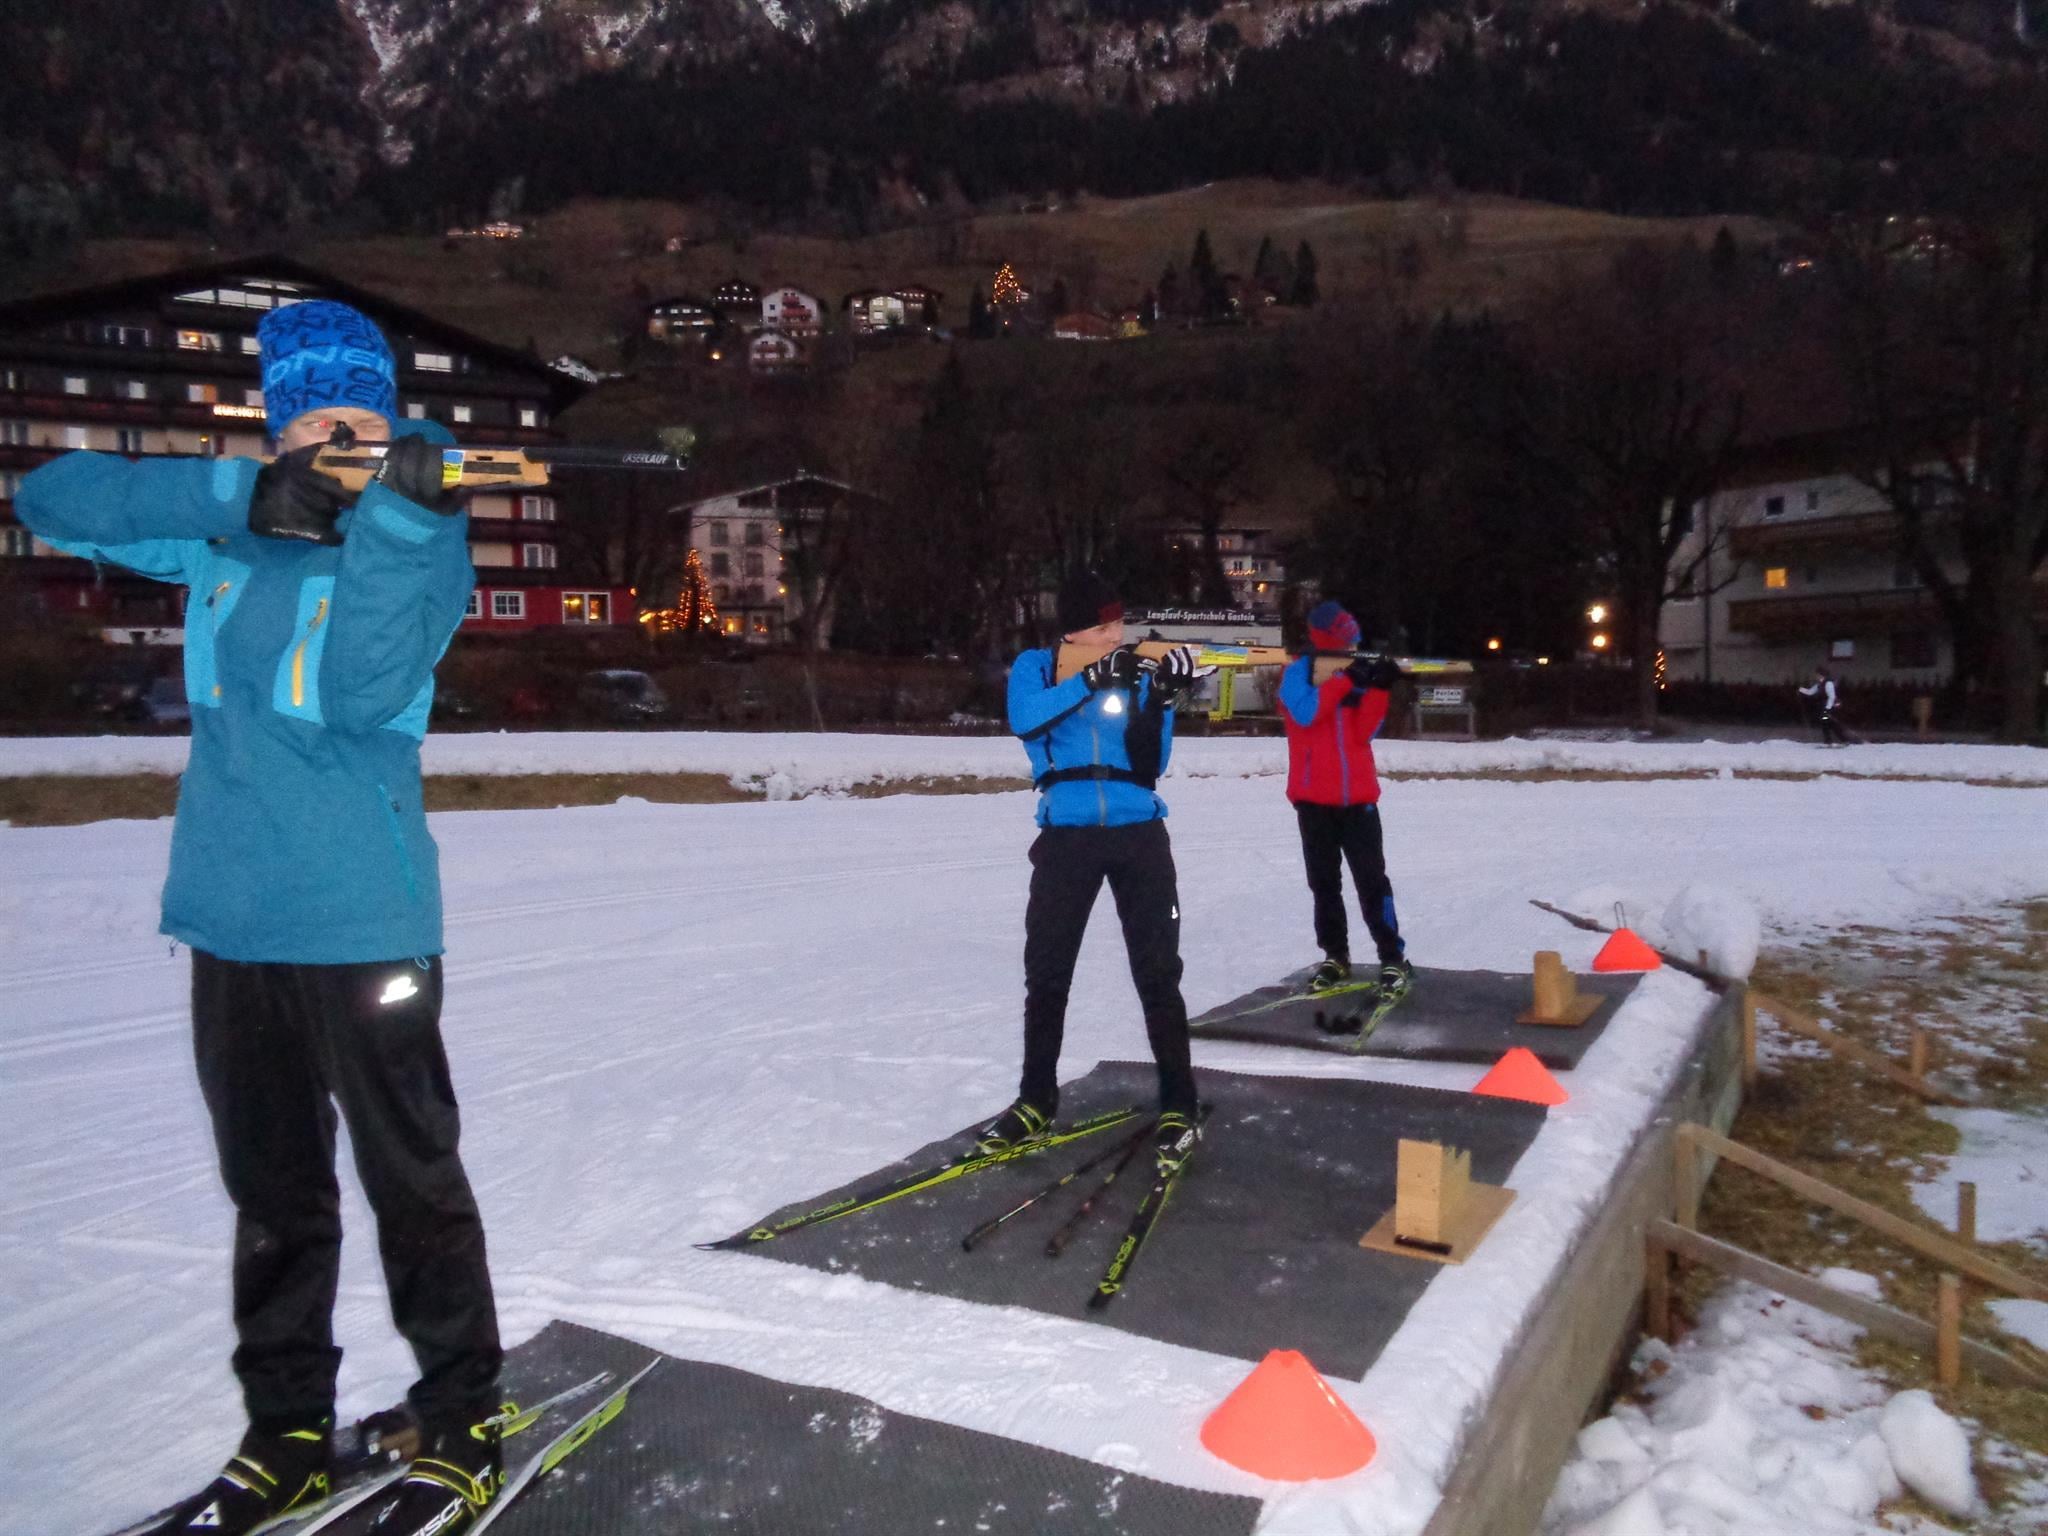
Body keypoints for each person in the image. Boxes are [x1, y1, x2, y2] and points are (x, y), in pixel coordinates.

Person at [17, 300, 506, 1536]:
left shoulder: (422, 531)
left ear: (387, 417)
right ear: (278, 426)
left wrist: (395, 516)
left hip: (363, 922)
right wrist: (241, 500)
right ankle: (284, 1433)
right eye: (306, 416)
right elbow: (52, 496)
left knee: (413, 1183)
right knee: (274, 1198)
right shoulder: (230, 538)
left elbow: (361, 696)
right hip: (232, 918)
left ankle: (462, 1421)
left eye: (355, 413)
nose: (332, 431)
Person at [987, 571, 1203, 1175]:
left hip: (1139, 831)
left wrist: (1160, 700)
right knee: (1048, 971)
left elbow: (1150, 761)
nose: (1118, 635)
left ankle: (1179, 1102)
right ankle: (1035, 1099)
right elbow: (1026, 719)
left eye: (1119, 625)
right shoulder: (1036, 665)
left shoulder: (1134, 667)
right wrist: (1090, 678)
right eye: (1107, 626)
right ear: (1078, 628)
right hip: (1066, 835)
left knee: (1159, 973)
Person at [1276, 600, 1412, 1002]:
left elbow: (1363, 733)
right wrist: (1341, 682)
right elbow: (1304, 714)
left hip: (1358, 801)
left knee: (1373, 882)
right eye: (1346, 642)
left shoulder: (1351, 675)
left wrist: (1379, 690)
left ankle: (1392, 956)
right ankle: (1335, 956)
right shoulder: (1298, 673)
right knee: (1324, 885)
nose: (1353, 649)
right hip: (1313, 802)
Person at [1799, 665, 1847, 747]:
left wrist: (1827, 709)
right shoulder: (1820, 684)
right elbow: (1811, 692)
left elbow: (1831, 696)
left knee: (1829, 723)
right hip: (1825, 707)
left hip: (1830, 707)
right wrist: (1800, 689)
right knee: (1826, 723)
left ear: (1821, 674)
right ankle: (1832, 741)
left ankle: (1841, 740)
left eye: (1817, 674)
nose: (1815, 676)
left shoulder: (1828, 683)